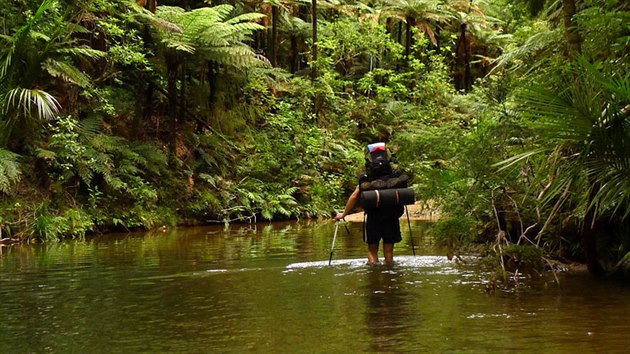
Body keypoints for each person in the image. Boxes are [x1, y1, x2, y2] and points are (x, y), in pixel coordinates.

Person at [334, 142, 406, 265]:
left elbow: (355, 196)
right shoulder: (394, 176)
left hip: (374, 218)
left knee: (372, 251)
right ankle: (389, 275)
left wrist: (344, 214)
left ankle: (373, 275)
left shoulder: (367, 178)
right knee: (389, 253)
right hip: (392, 217)